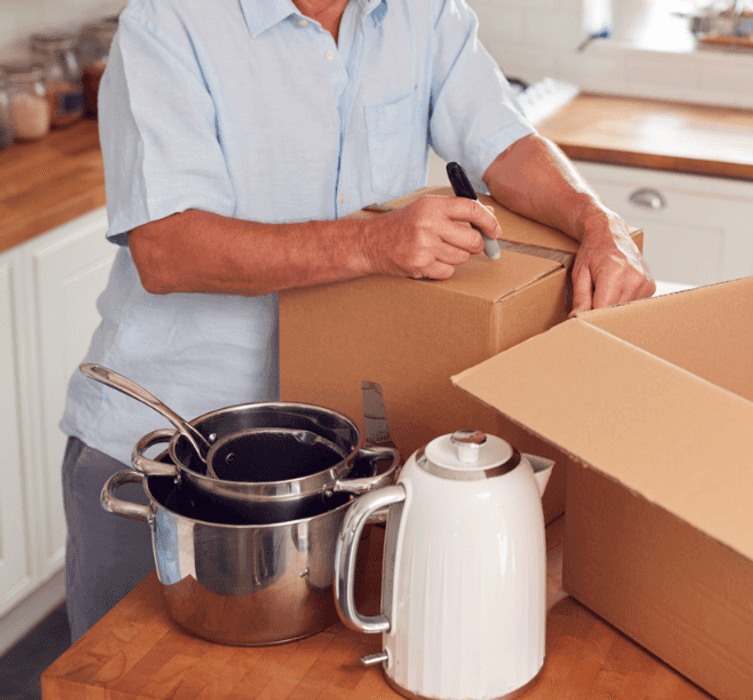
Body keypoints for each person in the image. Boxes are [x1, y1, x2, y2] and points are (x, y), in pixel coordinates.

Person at [58, 0, 655, 641]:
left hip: (332, 465)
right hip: (171, 458)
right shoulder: (167, 22)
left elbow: (503, 143)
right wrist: (374, 244)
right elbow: (168, 250)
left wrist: (600, 223)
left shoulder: (421, 14)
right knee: (120, 679)